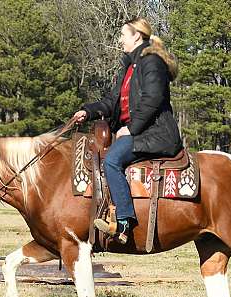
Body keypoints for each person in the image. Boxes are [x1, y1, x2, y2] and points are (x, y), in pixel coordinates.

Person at [74, 17, 182, 244]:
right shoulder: (131, 66)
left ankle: (124, 220)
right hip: (140, 131)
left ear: (136, 36)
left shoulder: (151, 61)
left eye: (124, 35)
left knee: (112, 160)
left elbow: (153, 99)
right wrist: (88, 111)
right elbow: (113, 101)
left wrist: (131, 129)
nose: (120, 40)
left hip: (156, 133)